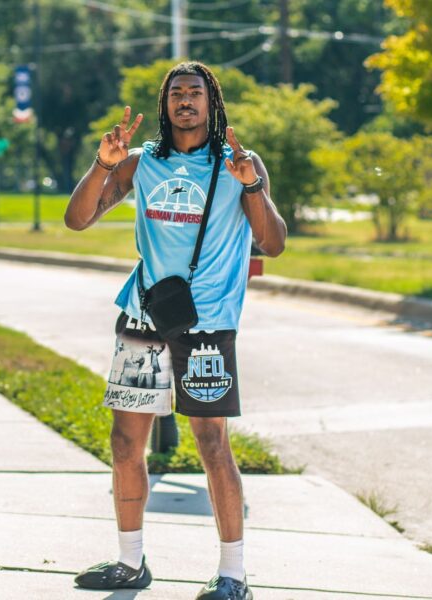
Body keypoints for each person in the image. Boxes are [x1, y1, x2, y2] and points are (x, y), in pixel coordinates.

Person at [64, 62, 286, 600]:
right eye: (176, 94)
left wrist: (252, 185)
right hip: (144, 316)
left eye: (196, 93)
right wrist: (102, 163)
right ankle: (129, 561)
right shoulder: (142, 163)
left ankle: (233, 575)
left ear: (213, 103)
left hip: (207, 325)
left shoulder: (239, 163)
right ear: (164, 106)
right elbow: (77, 218)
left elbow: (273, 242)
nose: (186, 101)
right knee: (124, 443)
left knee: (212, 444)